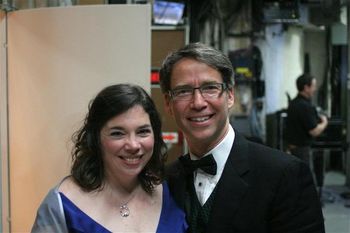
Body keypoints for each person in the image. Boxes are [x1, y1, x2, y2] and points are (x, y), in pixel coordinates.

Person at [159, 42, 325, 233]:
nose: (198, 103)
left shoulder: (285, 175)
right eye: (183, 91)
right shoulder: (164, 182)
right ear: (168, 103)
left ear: (230, 95)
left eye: (210, 88)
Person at [31, 84, 188, 233]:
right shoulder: (63, 205)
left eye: (143, 131)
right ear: (96, 139)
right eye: (117, 133)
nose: (133, 145)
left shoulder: (172, 190)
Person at [285, 73, 328, 163]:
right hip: (302, 150)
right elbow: (314, 131)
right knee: (305, 176)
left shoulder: (293, 103)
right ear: (306, 88)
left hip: (293, 148)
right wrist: (324, 122)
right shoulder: (304, 106)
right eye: (313, 86)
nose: (315, 89)